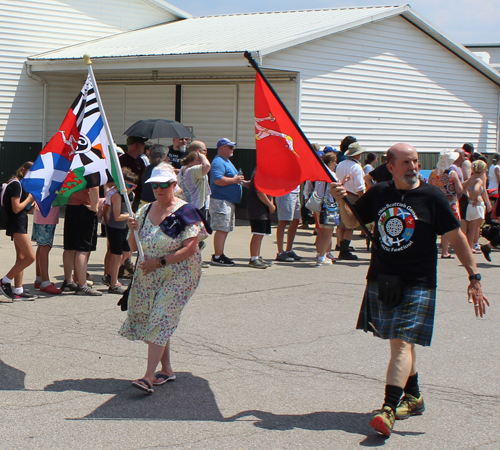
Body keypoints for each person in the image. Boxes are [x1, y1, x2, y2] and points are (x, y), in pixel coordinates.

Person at [330, 143, 489, 437]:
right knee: (402, 342)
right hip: (384, 278)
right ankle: (413, 397)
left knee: (402, 343)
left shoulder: (432, 196)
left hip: (419, 281)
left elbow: (456, 237)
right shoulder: (379, 193)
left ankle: (388, 409)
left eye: (415, 161)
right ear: (390, 167)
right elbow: (352, 221)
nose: (413, 167)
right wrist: (341, 200)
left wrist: (474, 277)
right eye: (405, 162)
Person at [120, 162, 209, 394]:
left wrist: (159, 262)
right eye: (155, 185)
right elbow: (132, 246)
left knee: (160, 317)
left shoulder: (186, 211)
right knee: (157, 317)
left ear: (174, 185)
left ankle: (149, 376)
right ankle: (167, 370)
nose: (159, 189)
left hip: (179, 274)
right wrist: (132, 229)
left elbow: (190, 249)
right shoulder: (144, 210)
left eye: (164, 185)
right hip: (150, 272)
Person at [0, 162, 37, 301]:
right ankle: (5, 281)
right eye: (30, 171)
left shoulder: (22, 185)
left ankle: (19, 289)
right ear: (23, 170)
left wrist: (31, 207)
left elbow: (21, 209)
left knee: (21, 258)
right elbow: (15, 208)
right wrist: (29, 198)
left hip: (20, 222)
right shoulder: (16, 184)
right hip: (17, 225)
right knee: (30, 257)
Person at [209, 138, 249, 266]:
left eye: (233, 147)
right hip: (221, 201)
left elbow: (233, 178)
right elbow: (218, 180)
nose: (233, 149)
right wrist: (234, 181)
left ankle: (219, 253)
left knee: (225, 228)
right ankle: (217, 256)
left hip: (227, 201)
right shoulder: (218, 162)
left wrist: (244, 183)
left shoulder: (226, 161)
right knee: (221, 229)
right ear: (221, 148)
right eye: (230, 147)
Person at [61, 187, 102, 296]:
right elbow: (93, 187)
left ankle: (68, 281)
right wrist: (95, 207)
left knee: (70, 247)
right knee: (83, 249)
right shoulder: (91, 170)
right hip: (85, 207)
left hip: (71, 206)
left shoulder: (73, 168)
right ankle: (82, 285)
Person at [104, 168, 137, 294]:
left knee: (127, 252)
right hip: (115, 228)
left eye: (132, 186)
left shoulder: (131, 195)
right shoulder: (117, 195)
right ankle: (113, 284)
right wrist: (131, 215)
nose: (129, 188)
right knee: (117, 255)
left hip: (124, 228)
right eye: (126, 185)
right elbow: (117, 216)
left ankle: (112, 275)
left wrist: (130, 216)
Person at [428, 149, 463, 259]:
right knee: (449, 227)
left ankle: (434, 249)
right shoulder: (452, 174)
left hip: (436, 201)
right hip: (450, 202)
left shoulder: (433, 172)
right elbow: (459, 189)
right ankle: (445, 251)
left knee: (435, 226)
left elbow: (429, 187)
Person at [335, 141, 366, 260]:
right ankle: (344, 249)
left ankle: (341, 245)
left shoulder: (341, 164)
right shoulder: (356, 167)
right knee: (350, 225)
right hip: (352, 196)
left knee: (342, 224)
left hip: (341, 194)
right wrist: (363, 198)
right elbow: (359, 186)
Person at [247, 168, 275, 268]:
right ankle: (254, 258)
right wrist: (270, 205)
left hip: (263, 210)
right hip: (257, 210)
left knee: (261, 233)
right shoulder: (258, 172)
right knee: (258, 234)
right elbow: (259, 192)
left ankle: (257, 256)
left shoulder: (265, 173)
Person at [313, 152, 337, 266]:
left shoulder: (319, 174)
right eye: (335, 161)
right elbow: (336, 188)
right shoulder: (331, 174)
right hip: (329, 205)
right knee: (328, 232)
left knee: (321, 232)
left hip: (319, 204)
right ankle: (322, 256)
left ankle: (319, 253)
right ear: (331, 162)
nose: (336, 164)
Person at [32, 205, 62, 294]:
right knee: (45, 247)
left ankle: (40, 278)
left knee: (42, 246)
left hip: (42, 215)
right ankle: (45, 282)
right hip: (47, 216)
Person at [462, 160, 489, 252]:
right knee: (474, 228)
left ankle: (469, 246)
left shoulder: (470, 178)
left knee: (471, 228)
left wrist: (469, 195)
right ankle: (470, 247)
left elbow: (462, 185)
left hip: (469, 205)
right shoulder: (479, 180)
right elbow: (477, 189)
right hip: (477, 204)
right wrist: (475, 197)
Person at [177, 148, 211, 214]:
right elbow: (207, 165)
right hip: (196, 207)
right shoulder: (192, 170)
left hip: (186, 204)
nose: (200, 163)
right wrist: (202, 156)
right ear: (191, 161)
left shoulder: (183, 169)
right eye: (198, 160)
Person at [275, 185, 303, 262]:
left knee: (296, 221)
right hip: (285, 192)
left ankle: (289, 250)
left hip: (296, 191)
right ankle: (280, 252)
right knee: (283, 221)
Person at [120, 136, 148, 211]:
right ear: (135, 145)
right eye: (142, 143)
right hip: (125, 197)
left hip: (139, 197)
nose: (144, 146)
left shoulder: (141, 161)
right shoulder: (122, 160)